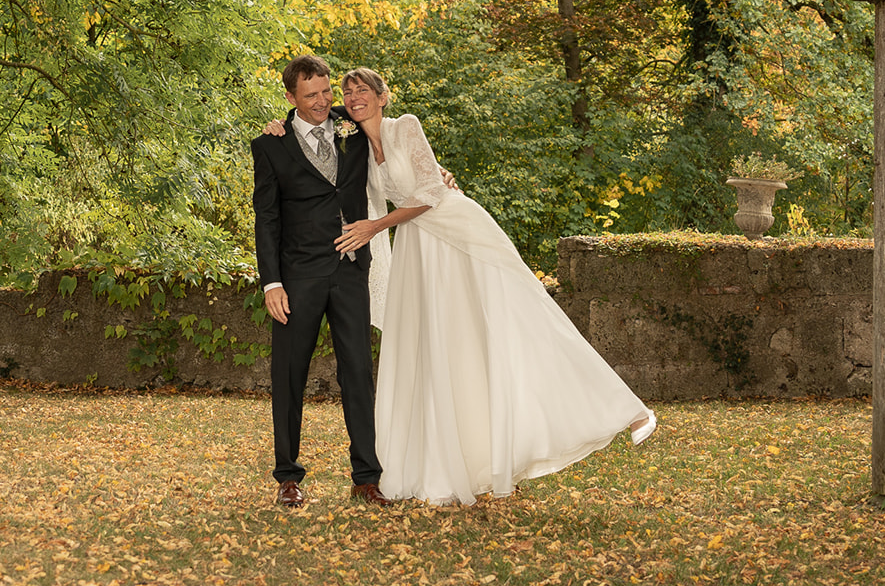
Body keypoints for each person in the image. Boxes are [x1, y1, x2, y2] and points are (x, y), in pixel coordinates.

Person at [269, 68, 655, 504]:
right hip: (412, 248)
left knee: (517, 314)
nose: (348, 98)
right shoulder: (346, 137)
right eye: (346, 92)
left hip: (452, 231)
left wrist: (386, 218)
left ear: (383, 96)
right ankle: (443, 455)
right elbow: (309, 137)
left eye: (361, 91)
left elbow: (430, 189)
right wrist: (281, 127)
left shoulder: (396, 127)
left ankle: (621, 408)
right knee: (438, 348)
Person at [251, 56, 389, 508]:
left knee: (358, 374)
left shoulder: (354, 130)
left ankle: (366, 477)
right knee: (289, 376)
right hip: (298, 277)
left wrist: (438, 177)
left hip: (351, 271)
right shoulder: (271, 145)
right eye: (311, 96)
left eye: (327, 92)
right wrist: (272, 282)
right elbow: (267, 218)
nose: (323, 102)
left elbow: (397, 162)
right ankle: (288, 477)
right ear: (290, 98)